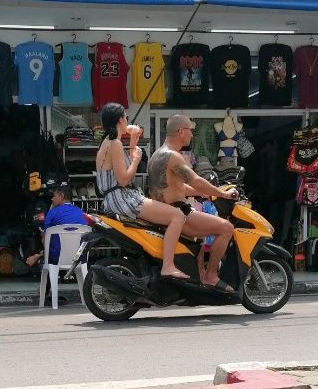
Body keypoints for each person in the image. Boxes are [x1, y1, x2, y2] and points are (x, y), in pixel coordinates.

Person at [95, 103, 190, 280]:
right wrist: (137, 160)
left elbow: (132, 131)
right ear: (120, 119)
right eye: (125, 117)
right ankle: (168, 266)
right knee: (177, 216)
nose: (127, 121)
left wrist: (132, 140)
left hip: (115, 198)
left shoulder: (107, 142)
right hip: (123, 198)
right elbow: (124, 180)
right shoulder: (114, 143)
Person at [147, 114, 238, 292]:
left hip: (165, 211)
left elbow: (178, 187)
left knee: (201, 240)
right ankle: (211, 276)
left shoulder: (157, 155)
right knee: (226, 227)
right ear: (181, 131)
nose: (192, 135)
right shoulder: (173, 156)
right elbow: (195, 180)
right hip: (179, 212)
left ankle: (198, 279)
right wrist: (223, 194)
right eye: (191, 130)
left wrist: (206, 192)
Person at [25, 183, 88, 269]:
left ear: (61, 196)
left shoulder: (52, 213)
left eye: (54, 196)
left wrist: (43, 236)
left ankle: (39, 257)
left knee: (47, 239)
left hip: (57, 258)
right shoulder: (81, 213)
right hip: (79, 257)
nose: (51, 199)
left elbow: (45, 241)